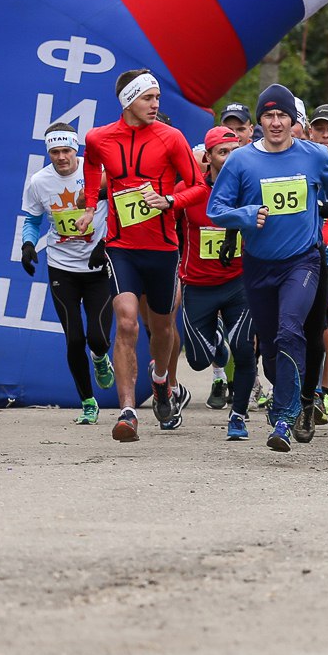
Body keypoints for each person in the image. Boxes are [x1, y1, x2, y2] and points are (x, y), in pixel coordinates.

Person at [208, 85, 328, 455]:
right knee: (269, 348)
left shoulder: (314, 155)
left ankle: (285, 416)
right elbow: (215, 209)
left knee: (290, 329)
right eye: (268, 115)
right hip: (258, 265)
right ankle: (286, 394)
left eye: (282, 115)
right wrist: (247, 215)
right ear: (258, 122)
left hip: (302, 261)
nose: (275, 122)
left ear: (292, 120)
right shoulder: (240, 161)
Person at [79, 68, 205, 442]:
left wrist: (169, 200)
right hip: (121, 247)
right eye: (148, 98)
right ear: (128, 101)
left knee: (163, 327)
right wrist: (89, 206)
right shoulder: (99, 137)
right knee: (128, 322)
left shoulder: (171, 137)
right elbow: (91, 167)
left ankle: (162, 381)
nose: (156, 104)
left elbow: (198, 184)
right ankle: (128, 411)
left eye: (157, 98)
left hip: (163, 249)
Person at [19, 122, 111, 425]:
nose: (61, 157)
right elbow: (32, 220)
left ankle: (100, 358)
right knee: (73, 338)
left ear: (76, 150)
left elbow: (118, 209)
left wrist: (106, 244)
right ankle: (87, 402)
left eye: (66, 151)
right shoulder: (39, 182)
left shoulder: (96, 171)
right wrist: (29, 245)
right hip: (62, 266)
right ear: (49, 152)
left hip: (97, 265)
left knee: (98, 339)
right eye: (55, 152)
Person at [174, 127, 255, 437]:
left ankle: (238, 416)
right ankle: (218, 345)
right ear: (207, 157)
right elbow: (169, 230)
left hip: (238, 283)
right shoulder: (190, 190)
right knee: (196, 361)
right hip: (198, 283)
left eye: (235, 151)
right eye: (223, 152)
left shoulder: (249, 189)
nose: (230, 158)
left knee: (245, 349)